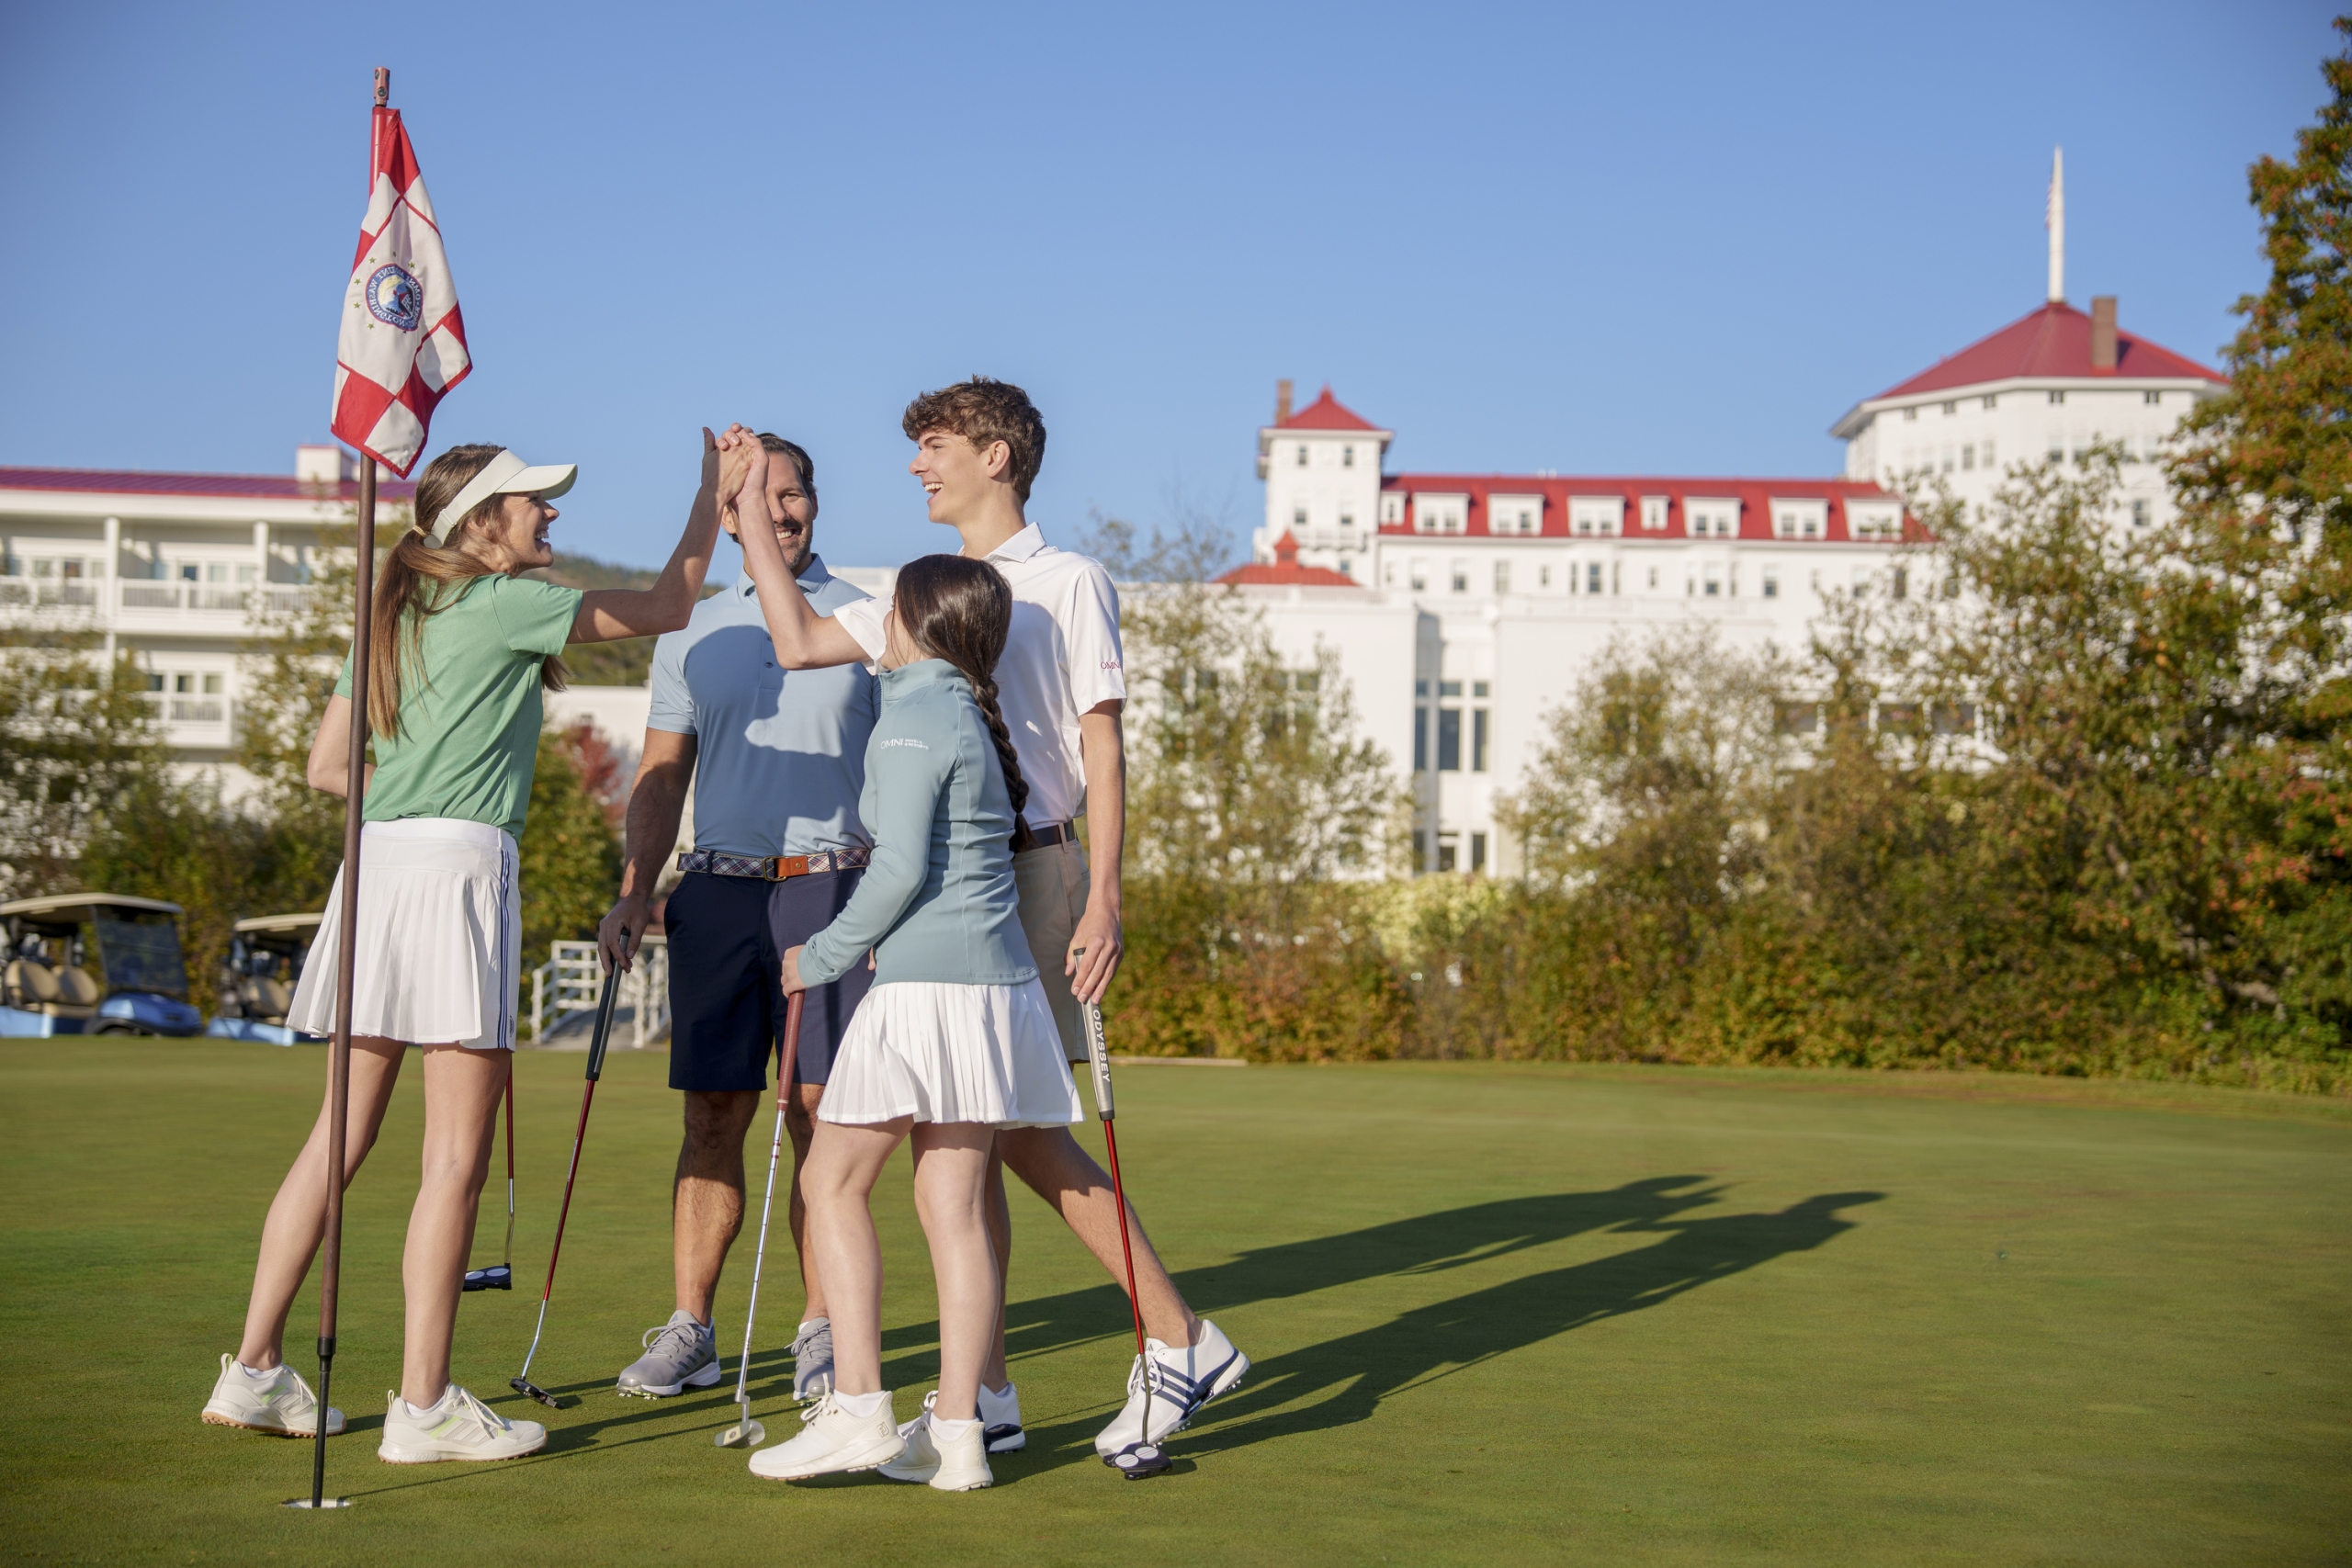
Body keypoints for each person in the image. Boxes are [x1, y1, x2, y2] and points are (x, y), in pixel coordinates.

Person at [716, 378, 1248, 1464]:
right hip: (949, 891)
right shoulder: (920, 592)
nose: (917, 464)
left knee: (1014, 1134)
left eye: (936, 444)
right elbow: (797, 641)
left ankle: (1180, 1337)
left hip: (1037, 876)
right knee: (974, 1138)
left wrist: (1103, 892)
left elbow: (1100, 744)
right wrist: (750, 510)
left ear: (996, 455)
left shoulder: (1067, 580)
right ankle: (985, 1395)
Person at [198, 438, 720, 1463]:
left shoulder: (393, 613)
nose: (549, 520)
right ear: (481, 521)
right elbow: (670, 603)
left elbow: (323, 767)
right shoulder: (494, 602)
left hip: (375, 868)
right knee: (453, 1160)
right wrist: (712, 494)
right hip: (455, 870)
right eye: (534, 505)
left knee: (332, 1142)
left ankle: (254, 1370)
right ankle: (423, 1404)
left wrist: (409, 797)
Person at [743, 547, 1082, 1492]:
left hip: (925, 992)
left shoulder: (907, 720)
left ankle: (857, 1409)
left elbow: (893, 873)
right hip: (993, 993)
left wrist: (822, 955)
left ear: (912, 622)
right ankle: (960, 1433)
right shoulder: (966, 712)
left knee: (832, 1181)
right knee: (952, 1210)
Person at [596, 433, 876, 1403]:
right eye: (757, 499)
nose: (779, 511)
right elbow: (662, 771)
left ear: (814, 502)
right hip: (716, 893)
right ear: (726, 515)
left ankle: (821, 1331)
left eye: (792, 494)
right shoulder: (693, 629)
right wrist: (636, 889)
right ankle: (692, 1329)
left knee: (819, 1119)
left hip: (831, 887)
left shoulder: (872, 616)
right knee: (711, 1114)